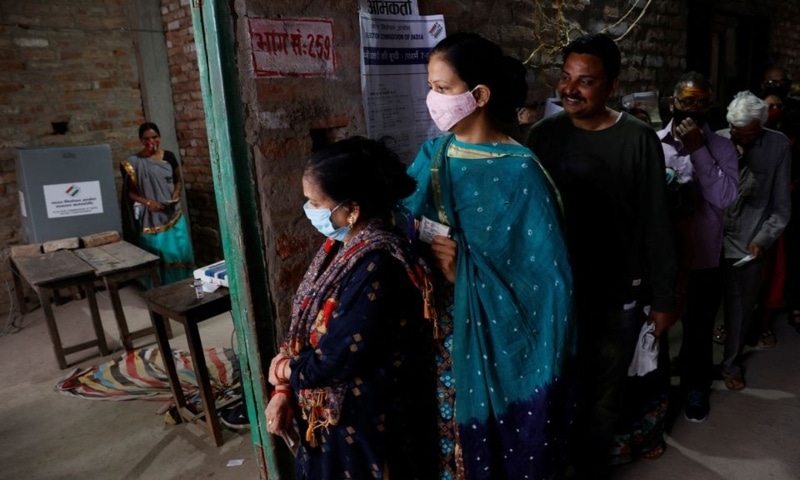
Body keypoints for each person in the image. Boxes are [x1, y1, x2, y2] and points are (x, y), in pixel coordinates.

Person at [404, 32, 575, 479]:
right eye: (431, 87)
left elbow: (546, 286)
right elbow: (400, 222)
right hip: (439, 333)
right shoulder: (434, 153)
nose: (432, 99)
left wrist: (465, 275)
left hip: (492, 340)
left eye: (443, 90)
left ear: (478, 96)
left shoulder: (521, 173)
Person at [526, 33, 677, 478]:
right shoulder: (542, 137)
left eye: (585, 81)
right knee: (560, 382)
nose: (569, 90)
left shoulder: (636, 138)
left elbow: (656, 221)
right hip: (557, 288)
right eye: (565, 77)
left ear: (611, 86)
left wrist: (665, 298)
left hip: (617, 289)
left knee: (606, 389)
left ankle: (592, 466)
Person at [264, 136, 439, 480]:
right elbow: (307, 326)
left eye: (315, 202)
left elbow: (333, 359)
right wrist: (284, 389)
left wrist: (284, 371)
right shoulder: (340, 245)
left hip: (365, 424)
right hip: (337, 419)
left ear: (353, 208)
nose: (310, 211)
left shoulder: (377, 264)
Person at [655, 72, 738, 426]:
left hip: (703, 257)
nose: (695, 108)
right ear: (673, 103)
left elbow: (724, 198)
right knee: (654, 329)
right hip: (660, 258)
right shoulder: (652, 143)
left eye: (703, 102)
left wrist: (698, 149)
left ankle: (695, 387)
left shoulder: (721, 148)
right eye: (688, 101)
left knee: (699, 330)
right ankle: (655, 395)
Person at [715, 91, 792, 391]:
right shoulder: (717, 139)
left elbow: (781, 206)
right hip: (712, 237)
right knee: (702, 306)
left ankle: (731, 364)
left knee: (741, 308)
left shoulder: (778, 145)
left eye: (749, 135)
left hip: (749, 239)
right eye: (737, 133)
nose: (742, 140)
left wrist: (764, 238)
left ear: (761, 125)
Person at [120, 122, 195, 285]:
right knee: (159, 253)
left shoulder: (169, 157)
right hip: (151, 217)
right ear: (141, 140)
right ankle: (162, 289)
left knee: (179, 251)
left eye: (154, 137)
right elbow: (129, 193)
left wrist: (177, 192)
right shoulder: (134, 163)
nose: (151, 141)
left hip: (173, 213)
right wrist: (148, 202)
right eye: (146, 138)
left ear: (159, 138)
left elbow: (178, 180)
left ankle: (183, 283)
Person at [761, 67, 800, 333]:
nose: (775, 85)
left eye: (780, 82)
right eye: (770, 82)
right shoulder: (755, 125)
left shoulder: (796, 116)